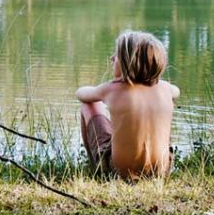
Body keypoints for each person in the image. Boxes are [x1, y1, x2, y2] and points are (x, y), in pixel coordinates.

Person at [76, 31, 180, 180]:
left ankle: (94, 165)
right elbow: (177, 91)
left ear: (128, 63)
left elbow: (81, 94)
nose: (112, 58)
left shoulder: (112, 89)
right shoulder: (166, 89)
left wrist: (105, 90)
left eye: (116, 56)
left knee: (88, 106)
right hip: (161, 171)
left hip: (118, 172)